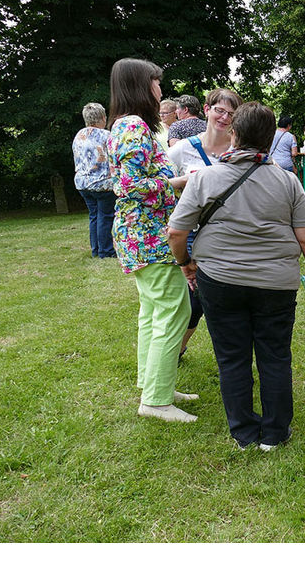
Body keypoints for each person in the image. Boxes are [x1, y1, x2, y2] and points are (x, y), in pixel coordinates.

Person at [167, 102, 305, 450]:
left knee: (232, 356)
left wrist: (186, 263)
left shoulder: (205, 179)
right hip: (276, 285)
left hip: (219, 282)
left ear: (234, 135)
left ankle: (243, 432)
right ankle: (274, 433)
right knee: (274, 355)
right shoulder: (288, 183)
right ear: (271, 140)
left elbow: (176, 233)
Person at [106, 58, 197, 423]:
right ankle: (156, 401)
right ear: (141, 86)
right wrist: (178, 183)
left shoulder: (128, 125)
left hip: (141, 232)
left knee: (153, 311)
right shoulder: (132, 127)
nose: (162, 90)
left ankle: (154, 384)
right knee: (177, 309)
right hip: (147, 234)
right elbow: (128, 187)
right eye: (157, 83)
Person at [166, 88, 243, 362]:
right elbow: (161, 186)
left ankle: (233, 357)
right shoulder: (183, 149)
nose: (224, 118)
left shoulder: (239, 149)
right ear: (207, 110)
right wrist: (188, 181)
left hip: (231, 232)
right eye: (220, 110)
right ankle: (176, 351)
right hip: (192, 234)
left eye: (231, 114)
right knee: (196, 298)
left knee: (229, 297)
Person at [72, 102, 117, 258]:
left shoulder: (79, 135)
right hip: (102, 183)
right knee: (105, 215)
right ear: (103, 118)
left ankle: (96, 250)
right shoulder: (106, 135)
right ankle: (106, 251)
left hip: (82, 183)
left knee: (94, 215)